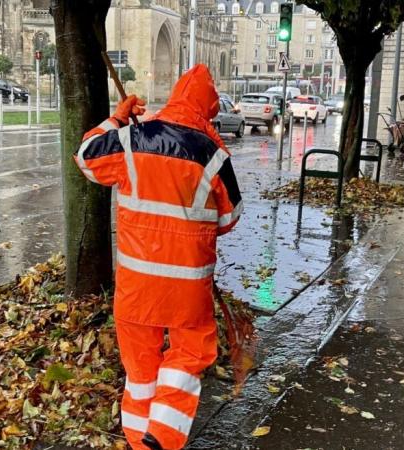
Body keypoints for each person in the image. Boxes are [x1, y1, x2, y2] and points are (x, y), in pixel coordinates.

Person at [74, 64, 242, 450]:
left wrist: (118, 119)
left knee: (141, 372)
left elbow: (86, 157)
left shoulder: (133, 138)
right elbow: (230, 217)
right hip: (187, 289)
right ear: (208, 109)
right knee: (188, 357)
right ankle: (162, 440)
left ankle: (139, 442)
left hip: (136, 287)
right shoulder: (213, 154)